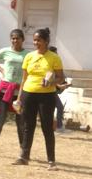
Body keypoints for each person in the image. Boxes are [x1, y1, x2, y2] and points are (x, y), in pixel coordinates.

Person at [12, 28, 65, 170]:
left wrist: (51, 83)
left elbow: (60, 77)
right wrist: (19, 97)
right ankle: (24, 156)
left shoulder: (54, 57)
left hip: (46, 96)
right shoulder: (29, 56)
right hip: (28, 94)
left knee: (47, 127)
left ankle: (51, 161)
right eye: (34, 40)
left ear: (46, 41)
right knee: (28, 126)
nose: (36, 43)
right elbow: (24, 79)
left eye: (39, 40)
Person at [0, 29, 28, 158]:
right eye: (13, 38)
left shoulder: (28, 54)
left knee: (21, 122)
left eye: (18, 38)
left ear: (23, 39)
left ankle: (23, 152)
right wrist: (2, 70)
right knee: (0, 120)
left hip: (20, 92)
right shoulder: (5, 51)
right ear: (10, 39)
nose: (15, 40)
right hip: (5, 90)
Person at [48, 46, 73, 134]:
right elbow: (50, 78)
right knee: (59, 106)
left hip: (52, 89)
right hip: (50, 90)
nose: (57, 55)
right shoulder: (49, 63)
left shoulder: (54, 63)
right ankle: (58, 127)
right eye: (56, 53)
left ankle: (56, 126)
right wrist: (60, 86)